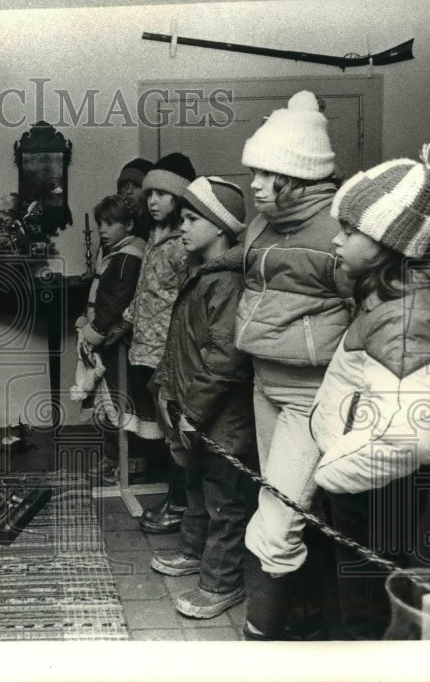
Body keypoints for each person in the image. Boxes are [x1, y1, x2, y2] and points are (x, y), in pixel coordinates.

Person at [308, 142, 430, 640]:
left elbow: (411, 438)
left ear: (392, 243)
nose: (336, 240)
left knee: (365, 613)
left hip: (373, 493)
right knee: (352, 597)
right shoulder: (385, 295)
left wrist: (331, 470)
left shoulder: (406, 319)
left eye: (350, 229)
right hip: (360, 485)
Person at [235, 90, 354, 640]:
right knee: (282, 505)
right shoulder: (262, 223)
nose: (254, 185)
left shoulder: (340, 235)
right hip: (264, 383)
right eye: (253, 173)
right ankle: (302, 621)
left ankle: (261, 638)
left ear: (298, 177)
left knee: (278, 521)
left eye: (265, 175)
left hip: (311, 396)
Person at [148, 177, 257, 619]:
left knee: (224, 499)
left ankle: (220, 583)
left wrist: (193, 410)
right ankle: (194, 553)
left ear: (220, 227)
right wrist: (169, 391)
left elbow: (223, 359)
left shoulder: (227, 282)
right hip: (193, 406)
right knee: (196, 485)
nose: (183, 228)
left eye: (193, 220)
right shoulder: (204, 274)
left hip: (222, 417)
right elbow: (183, 345)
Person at [119, 154, 197, 531]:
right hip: (145, 351)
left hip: (172, 352)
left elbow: (190, 300)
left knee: (178, 432)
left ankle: (180, 506)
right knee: (167, 432)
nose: (153, 201)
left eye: (163, 194)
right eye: (151, 193)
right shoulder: (152, 236)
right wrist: (124, 323)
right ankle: (176, 501)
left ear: (180, 198)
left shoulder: (187, 241)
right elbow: (144, 291)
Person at [74, 195, 145, 477]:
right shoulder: (116, 254)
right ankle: (113, 456)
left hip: (116, 341)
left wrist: (94, 331)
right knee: (105, 400)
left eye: (110, 223)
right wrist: (85, 320)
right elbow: (97, 294)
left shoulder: (130, 257)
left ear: (128, 225)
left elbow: (116, 301)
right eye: (101, 223)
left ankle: (132, 460)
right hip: (102, 338)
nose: (102, 229)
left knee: (120, 399)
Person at [116, 157, 157, 239]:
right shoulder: (114, 225)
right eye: (124, 186)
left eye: (137, 185)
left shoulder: (157, 226)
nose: (128, 191)